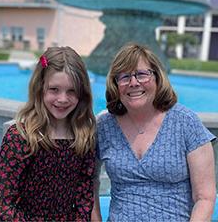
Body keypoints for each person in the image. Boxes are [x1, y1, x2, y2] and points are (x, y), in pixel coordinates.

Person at [91, 43, 216, 222]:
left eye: (141, 74)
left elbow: (205, 197)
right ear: (115, 84)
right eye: (124, 77)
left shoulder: (186, 123)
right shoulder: (104, 126)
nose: (133, 83)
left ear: (157, 78)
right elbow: (89, 181)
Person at [0, 46, 96, 221]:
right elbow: (5, 206)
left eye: (71, 91)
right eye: (54, 89)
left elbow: (84, 198)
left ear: (82, 93)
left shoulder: (83, 137)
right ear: (40, 88)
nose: (62, 99)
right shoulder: (20, 137)